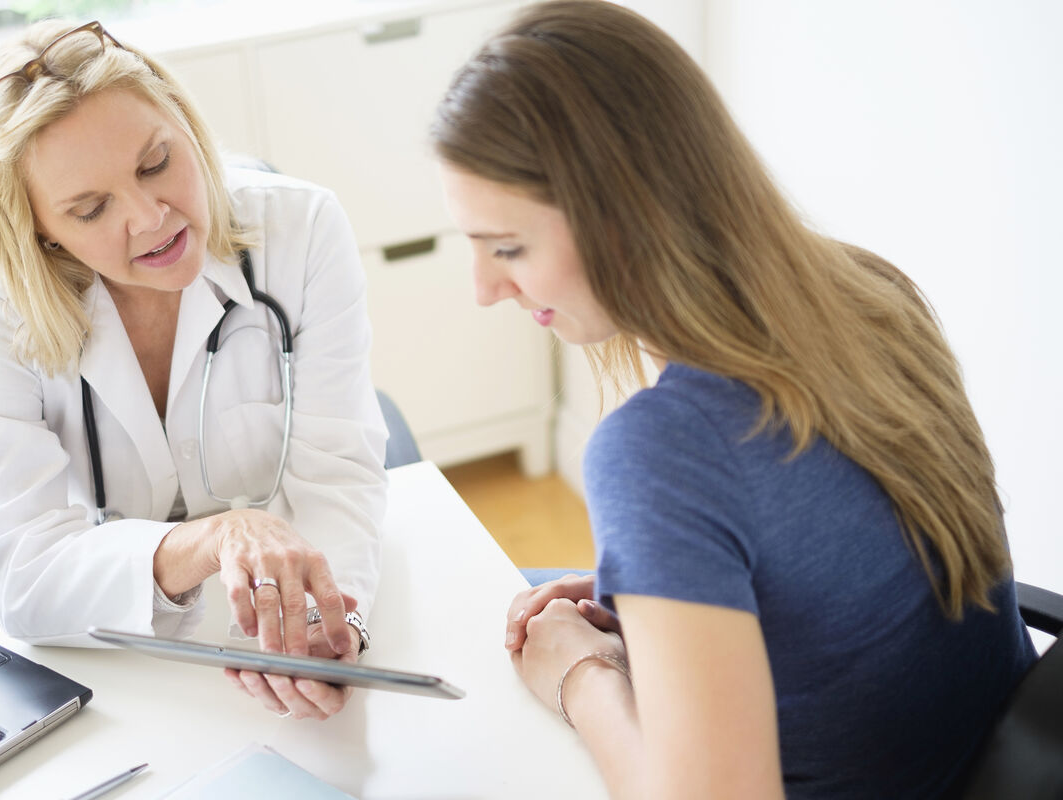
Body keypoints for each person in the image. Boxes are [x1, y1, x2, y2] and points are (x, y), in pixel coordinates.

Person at [431, 1, 1035, 796]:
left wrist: (578, 674)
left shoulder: (659, 451)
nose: (484, 289)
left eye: (508, 248)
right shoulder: (871, 291)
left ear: (624, 221)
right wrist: (665, 587)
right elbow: (844, 555)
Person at [0, 19, 387, 721]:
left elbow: (335, 477)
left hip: (262, 631)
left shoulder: (302, 233)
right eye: (90, 208)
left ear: (184, 122)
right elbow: (25, 575)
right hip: (87, 671)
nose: (151, 219)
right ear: (38, 227)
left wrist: (333, 625)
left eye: (155, 164)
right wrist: (212, 540)